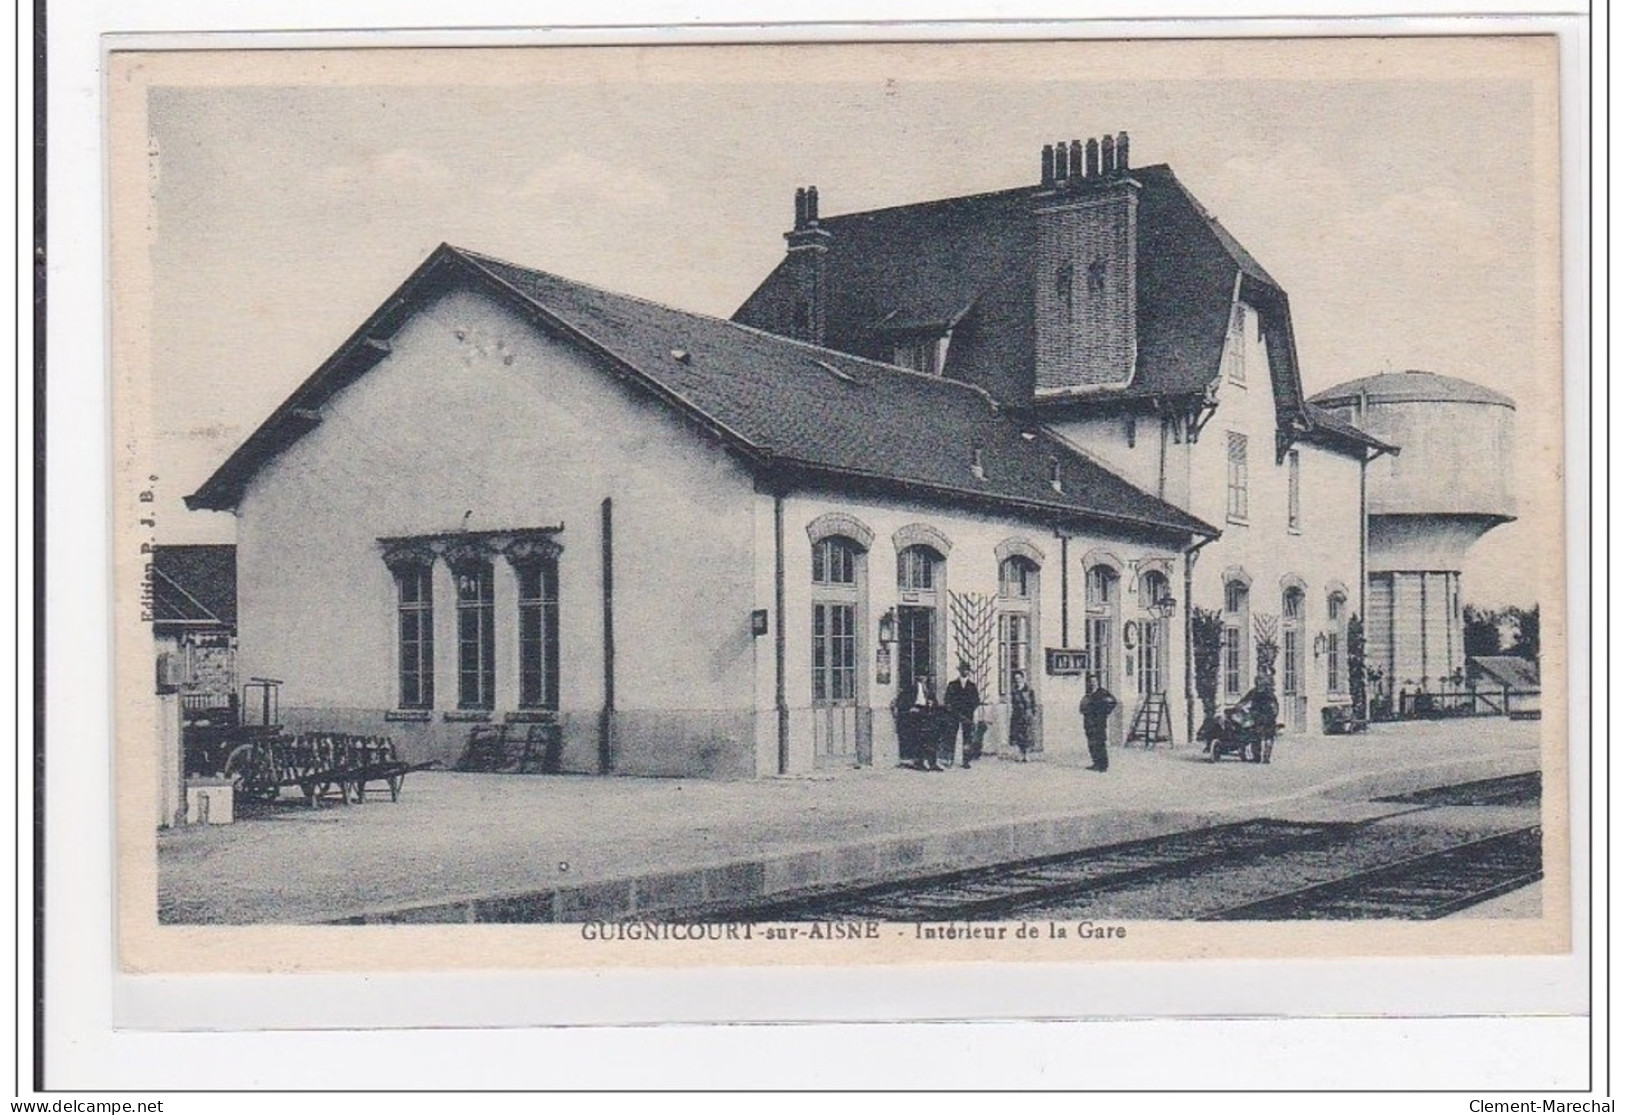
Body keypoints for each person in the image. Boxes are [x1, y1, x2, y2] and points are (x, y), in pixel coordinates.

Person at [944, 661, 982, 769]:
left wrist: (969, 710)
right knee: (951, 736)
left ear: (969, 672)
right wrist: (953, 710)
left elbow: (976, 700)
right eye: (963, 669)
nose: (965, 671)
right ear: (959, 671)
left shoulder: (972, 686)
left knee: (967, 737)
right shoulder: (952, 684)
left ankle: (966, 760)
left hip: (967, 715)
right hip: (954, 715)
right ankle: (949, 759)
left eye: (967, 670)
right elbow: (947, 699)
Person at [1080, 678, 1118, 772]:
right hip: (1089, 722)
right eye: (1090, 682)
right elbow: (1083, 706)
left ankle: (1103, 765)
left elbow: (1112, 702)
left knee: (1100, 743)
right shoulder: (1088, 694)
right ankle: (1096, 763)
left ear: (1097, 682)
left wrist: (1103, 712)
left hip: (1099, 723)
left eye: (1094, 682)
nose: (1092, 684)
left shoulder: (1102, 693)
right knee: (1092, 744)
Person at [1008, 669, 1037, 762]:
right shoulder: (1014, 691)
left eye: (1019, 678)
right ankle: (1021, 753)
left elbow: (1033, 703)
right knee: (1018, 734)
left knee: (1027, 734)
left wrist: (1033, 713)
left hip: (1027, 715)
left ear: (1023, 678)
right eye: (1016, 678)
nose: (1018, 680)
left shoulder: (1029, 690)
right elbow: (1013, 703)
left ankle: (1027, 754)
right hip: (1017, 715)